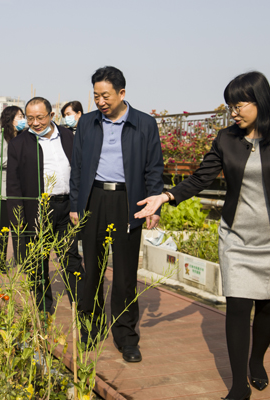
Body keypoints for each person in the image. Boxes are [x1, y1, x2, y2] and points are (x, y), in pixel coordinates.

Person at [134, 71, 270, 400]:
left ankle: (257, 359)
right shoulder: (226, 139)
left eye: (239, 105)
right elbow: (200, 177)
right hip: (236, 237)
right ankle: (239, 385)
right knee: (238, 306)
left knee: (267, 306)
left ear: (259, 101)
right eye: (230, 106)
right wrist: (166, 196)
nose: (233, 112)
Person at [69, 66, 164, 362]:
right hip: (94, 198)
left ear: (122, 93)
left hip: (129, 201)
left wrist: (153, 204)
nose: (100, 101)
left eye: (105, 95)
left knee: (124, 274)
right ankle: (91, 328)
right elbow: (78, 168)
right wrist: (75, 204)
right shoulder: (86, 123)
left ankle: (126, 336)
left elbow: (154, 168)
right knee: (93, 269)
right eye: (96, 95)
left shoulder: (144, 124)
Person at [7, 97, 84, 315]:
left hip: (68, 207)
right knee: (38, 261)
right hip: (38, 209)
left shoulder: (68, 136)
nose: (35, 122)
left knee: (71, 259)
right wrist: (18, 219)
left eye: (40, 117)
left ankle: (81, 306)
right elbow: (13, 185)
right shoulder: (18, 144)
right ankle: (43, 308)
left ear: (51, 116)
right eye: (30, 118)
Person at [0, 105, 25, 272]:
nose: (22, 119)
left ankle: (22, 261)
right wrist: (16, 161)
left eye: (23, 116)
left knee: (20, 230)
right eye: (19, 116)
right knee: (0, 231)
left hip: (20, 191)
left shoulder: (26, 137)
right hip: (0, 191)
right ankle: (0, 262)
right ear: (10, 119)